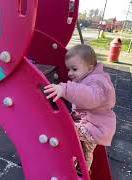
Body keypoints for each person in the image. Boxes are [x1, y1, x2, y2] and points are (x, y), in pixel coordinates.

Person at [44, 44, 116, 174]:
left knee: (67, 129)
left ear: (89, 68)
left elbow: (89, 96)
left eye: (74, 69)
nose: (70, 73)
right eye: (68, 69)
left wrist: (65, 89)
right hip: (93, 126)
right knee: (84, 151)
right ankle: (82, 170)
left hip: (94, 127)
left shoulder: (97, 82)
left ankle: (80, 170)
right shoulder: (90, 78)